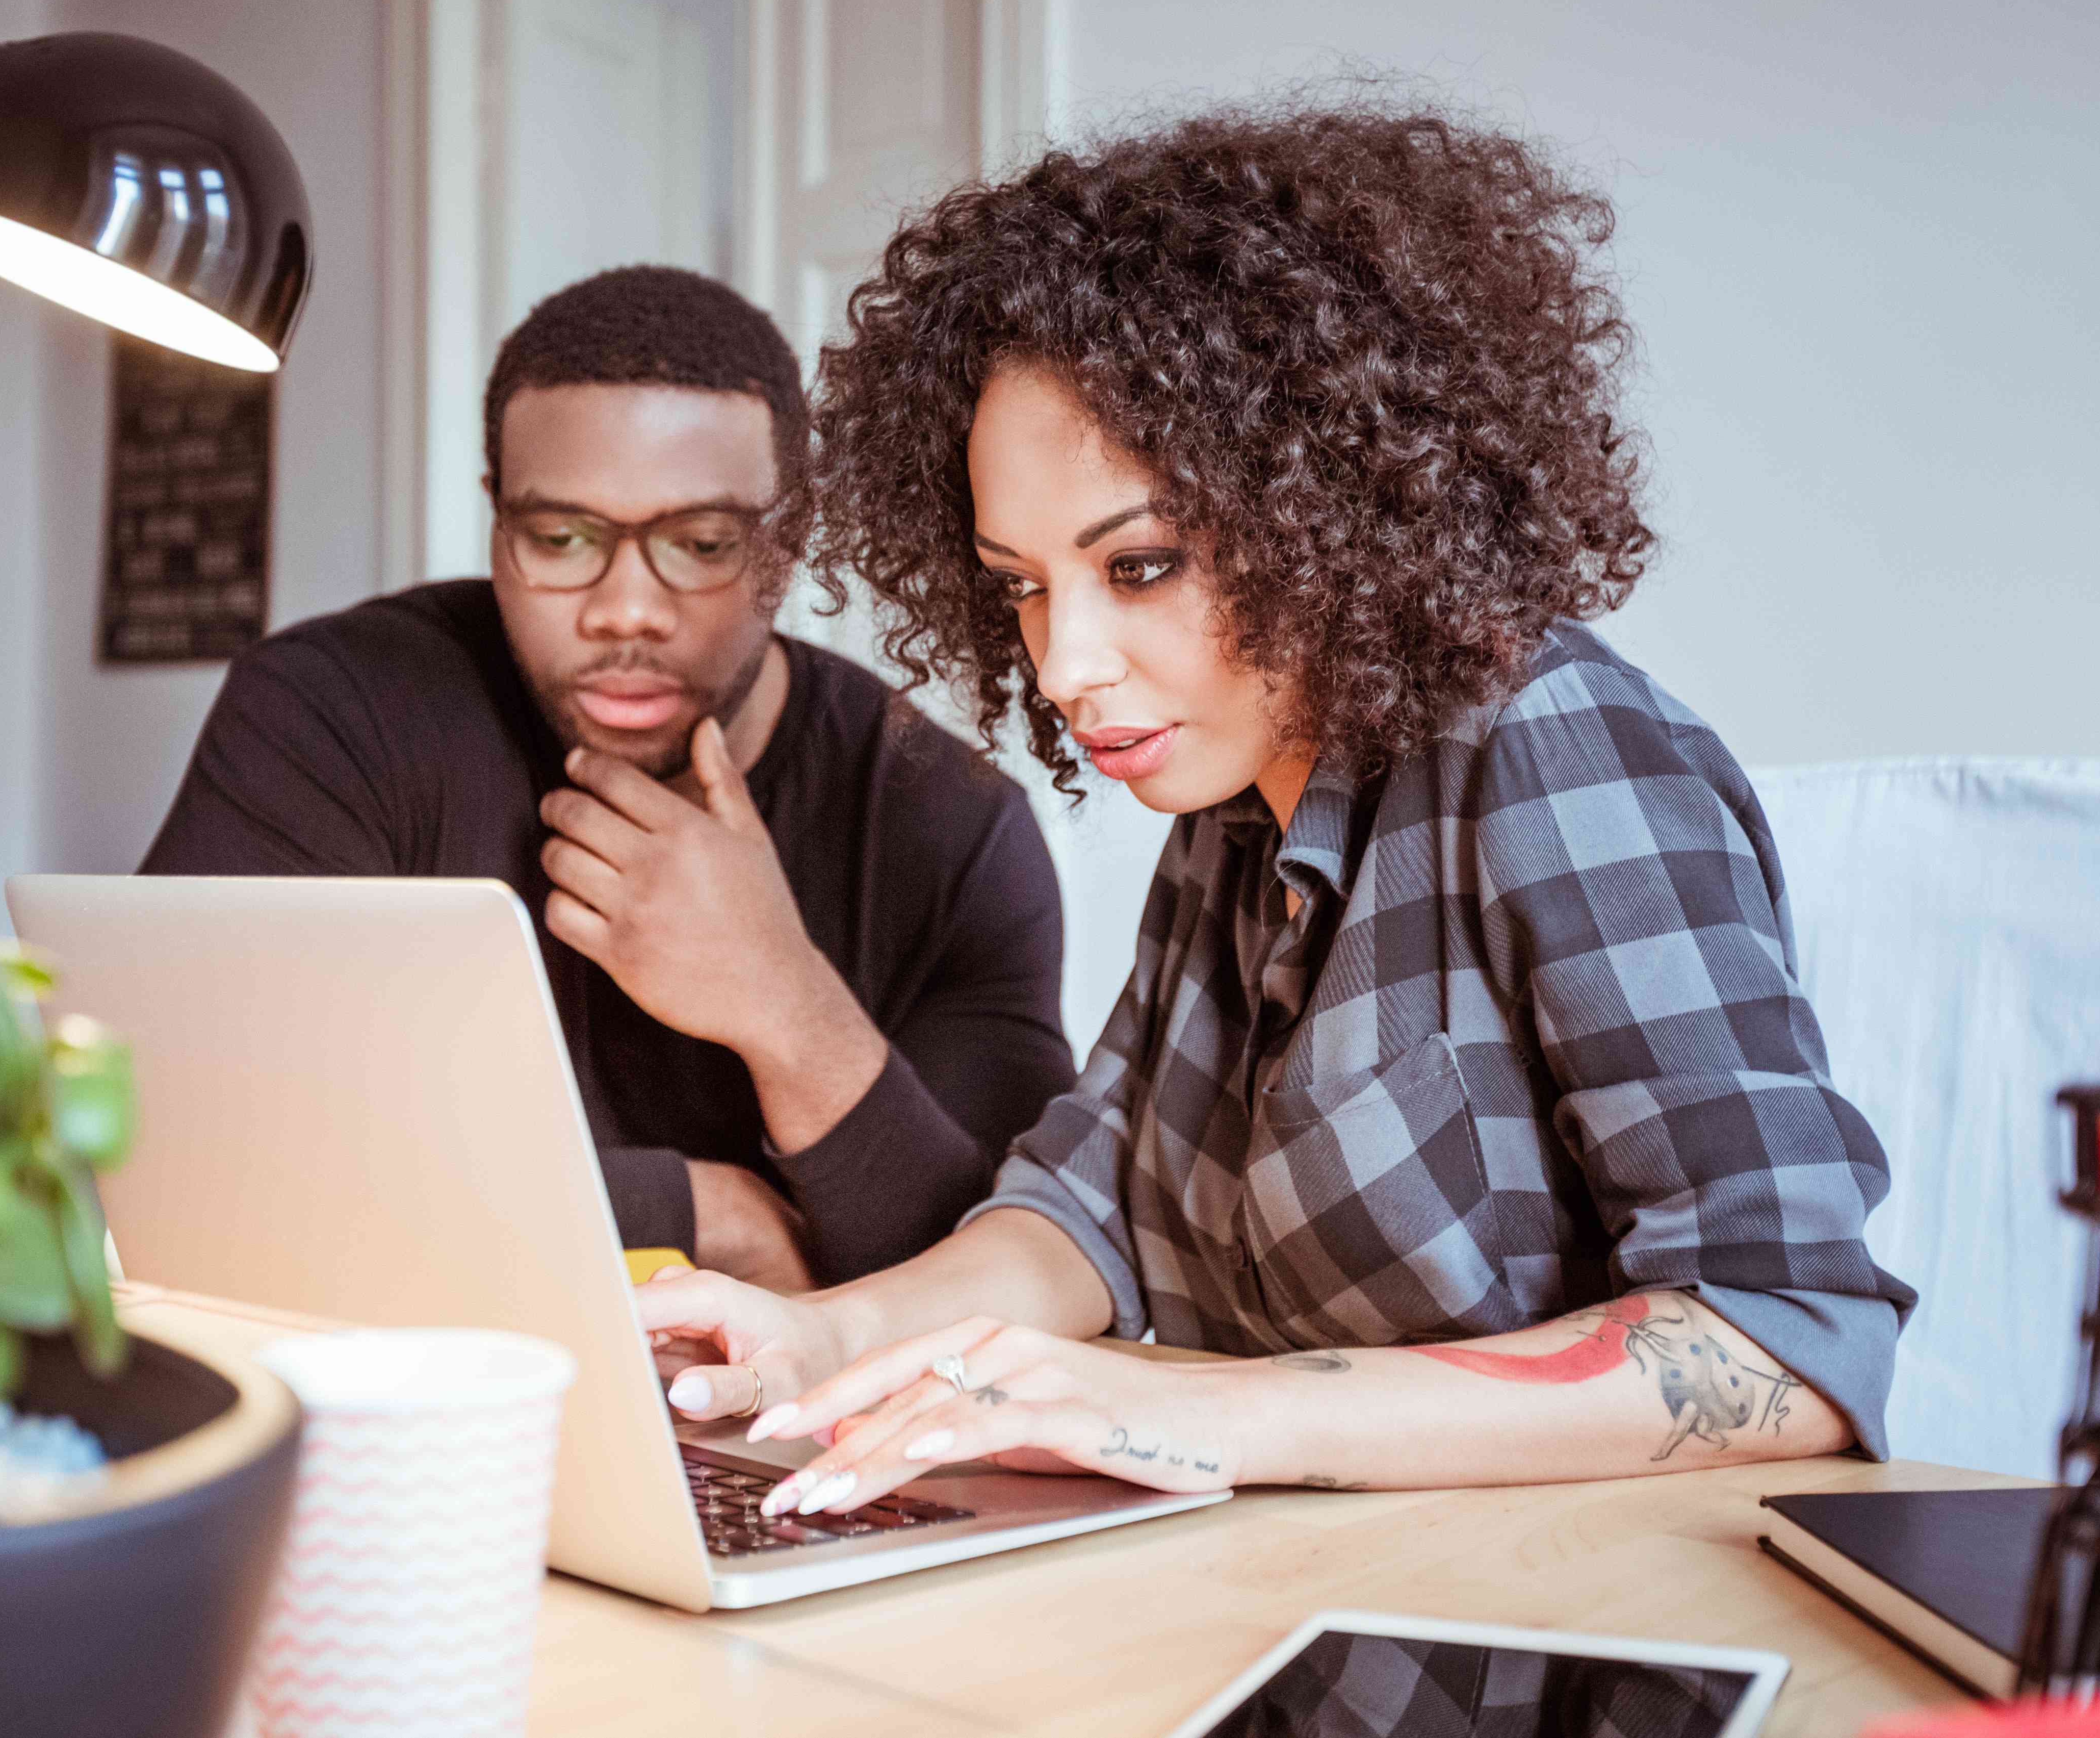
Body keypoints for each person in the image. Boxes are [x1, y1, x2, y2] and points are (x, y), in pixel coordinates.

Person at [639, 101, 1915, 1514]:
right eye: (1019, 583)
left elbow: (1786, 1339)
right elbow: (1090, 1206)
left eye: (1137, 567)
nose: (1062, 665)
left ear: (1328, 499)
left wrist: (1206, 1412)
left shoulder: (1550, 742)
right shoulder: (1230, 808)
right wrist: (831, 1335)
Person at [142, 266, 1073, 1290]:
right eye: (563, 539)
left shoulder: (950, 826)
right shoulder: (335, 719)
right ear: (499, 522)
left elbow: (1010, 1288)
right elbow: (200, 1156)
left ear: (790, 541)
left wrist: (786, 1005)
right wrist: (701, 1212)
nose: (625, 609)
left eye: (702, 544)